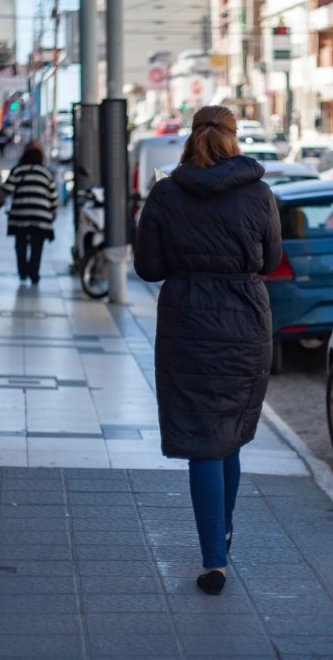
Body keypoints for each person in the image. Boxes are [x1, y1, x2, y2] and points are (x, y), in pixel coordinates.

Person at [133, 105, 282, 596]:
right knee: (230, 434)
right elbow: (272, 258)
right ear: (234, 139)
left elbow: (149, 267)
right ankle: (224, 529)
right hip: (244, 319)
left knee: (203, 438)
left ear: (192, 137)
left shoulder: (166, 193)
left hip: (187, 320)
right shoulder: (259, 194)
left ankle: (214, 559)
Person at [2, 145, 58, 285]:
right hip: (41, 216)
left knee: (20, 244)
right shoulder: (46, 173)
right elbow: (53, 196)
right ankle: (34, 273)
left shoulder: (18, 170)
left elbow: (7, 189)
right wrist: (52, 212)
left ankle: (22, 272)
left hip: (21, 215)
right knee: (37, 246)